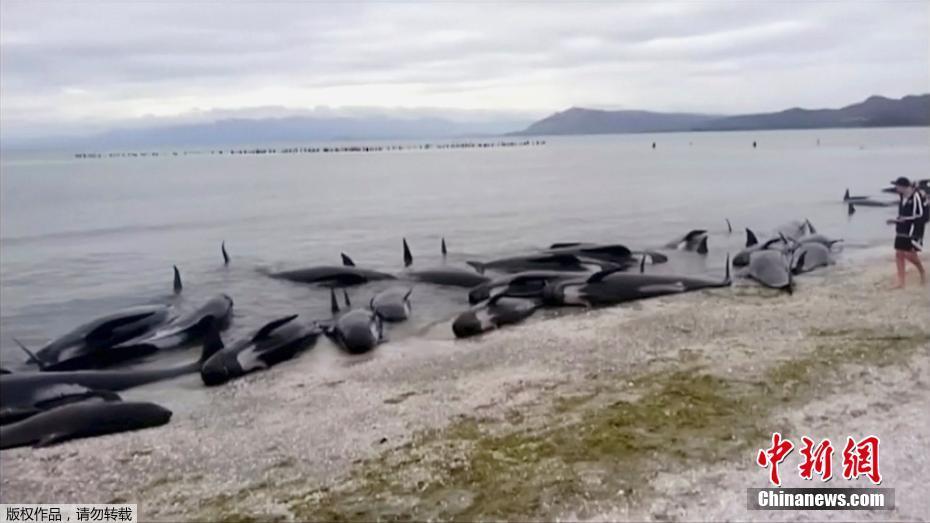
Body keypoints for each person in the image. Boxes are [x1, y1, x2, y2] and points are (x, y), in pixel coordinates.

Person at [887, 176, 925, 288]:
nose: (896, 189)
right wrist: (896, 221)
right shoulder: (901, 196)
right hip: (902, 228)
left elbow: (920, 214)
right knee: (899, 253)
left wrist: (902, 219)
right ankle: (901, 281)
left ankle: (922, 271)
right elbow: (903, 213)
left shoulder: (916, 197)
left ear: (904, 187)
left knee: (909, 254)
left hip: (914, 228)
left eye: (897, 186)